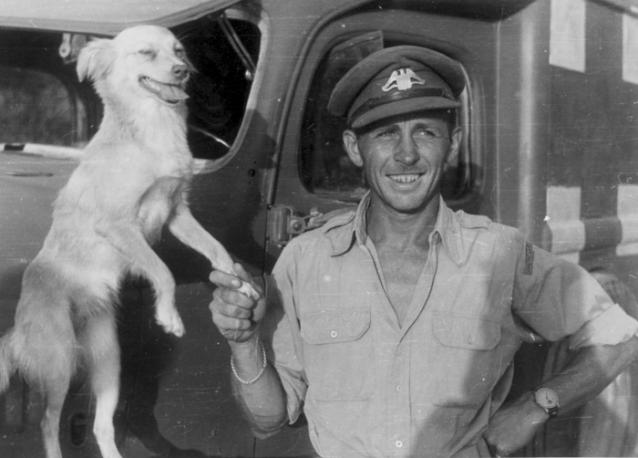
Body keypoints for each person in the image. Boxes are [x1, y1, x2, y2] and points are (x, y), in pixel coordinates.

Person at [208, 45, 638, 457]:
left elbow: (620, 338)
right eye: (386, 134)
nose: (407, 154)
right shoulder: (306, 260)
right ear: (355, 148)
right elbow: (269, 418)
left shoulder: (499, 253)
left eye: (426, 132)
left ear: (452, 145)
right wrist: (243, 343)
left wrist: (536, 406)